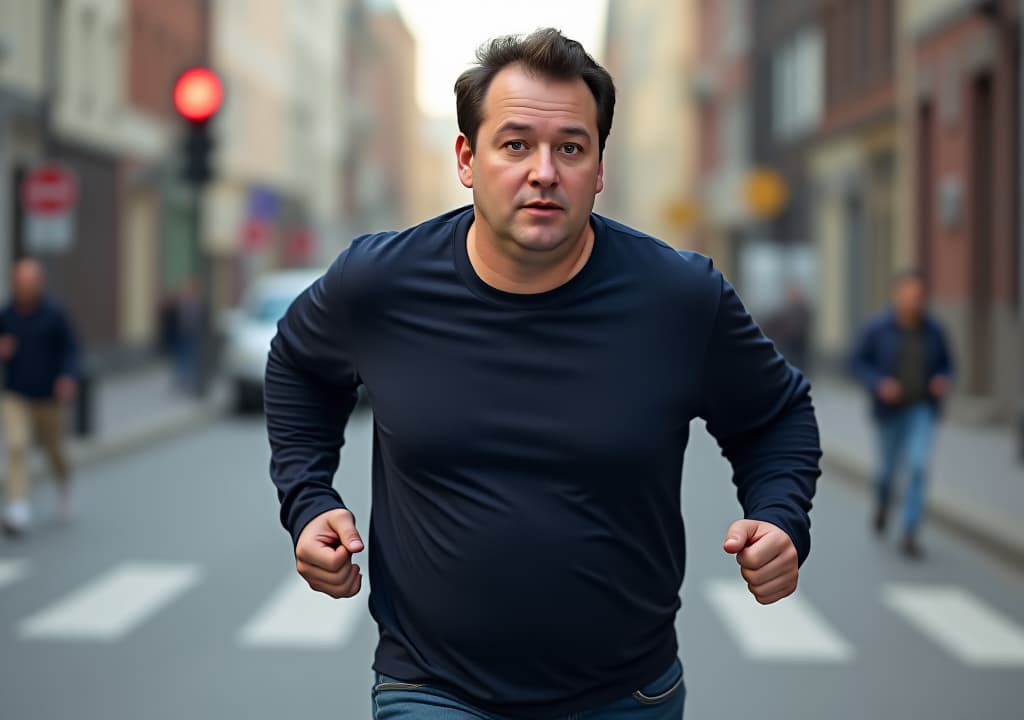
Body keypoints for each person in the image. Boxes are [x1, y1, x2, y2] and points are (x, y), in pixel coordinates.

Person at [264, 29, 821, 719]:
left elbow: (777, 414)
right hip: (434, 690)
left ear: (599, 166)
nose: (544, 172)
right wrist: (309, 500)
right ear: (468, 158)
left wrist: (779, 517)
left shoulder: (678, 298)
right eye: (516, 143)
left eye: (570, 147)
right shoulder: (382, 283)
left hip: (626, 696)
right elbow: (296, 365)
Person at [849, 270, 954, 559]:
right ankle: (883, 504)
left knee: (918, 466)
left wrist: (942, 379)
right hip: (889, 411)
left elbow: (947, 364)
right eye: (908, 295)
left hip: (921, 407)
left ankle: (909, 531)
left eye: (918, 296)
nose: (913, 302)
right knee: (886, 472)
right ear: (897, 296)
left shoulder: (934, 330)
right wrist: (878, 383)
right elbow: (856, 362)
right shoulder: (878, 328)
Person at [0, 258, 80, 536]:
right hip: (16, 394)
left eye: (29, 283)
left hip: (48, 396)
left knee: (53, 449)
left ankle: (63, 484)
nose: (24, 288)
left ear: (39, 284)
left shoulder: (55, 314)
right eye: (19, 283)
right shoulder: (6, 315)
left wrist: (67, 377)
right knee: (17, 446)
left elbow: (71, 350)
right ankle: (18, 509)